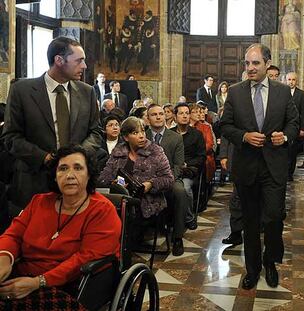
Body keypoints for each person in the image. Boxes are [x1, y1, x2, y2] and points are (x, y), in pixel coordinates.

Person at [0, 145, 121, 309]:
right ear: (55, 177)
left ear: (89, 175)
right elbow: (13, 235)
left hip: (71, 283)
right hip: (24, 273)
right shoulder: (39, 201)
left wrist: (39, 282)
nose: (70, 175)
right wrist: (5, 258)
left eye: (78, 168)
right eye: (63, 169)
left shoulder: (103, 210)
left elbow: (85, 258)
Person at [221, 43, 299, 290]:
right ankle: (253, 269)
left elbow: (294, 123)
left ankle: (271, 261)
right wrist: (243, 136)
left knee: (274, 217)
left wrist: (284, 137)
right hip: (246, 167)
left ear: (267, 64)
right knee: (251, 222)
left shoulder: (283, 92)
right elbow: (223, 126)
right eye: (247, 63)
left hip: (273, 166)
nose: (251, 68)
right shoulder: (235, 92)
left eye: (256, 63)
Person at [2, 36, 101, 210]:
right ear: (59, 60)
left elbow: (96, 132)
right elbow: (11, 137)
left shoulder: (87, 92)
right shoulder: (21, 91)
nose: (84, 66)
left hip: (75, 184)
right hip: (34, 182)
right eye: (79, 61)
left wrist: (76, 157)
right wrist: (45, 158)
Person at [98, 117, 174, 219]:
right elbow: (104, 177)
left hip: (148, 203)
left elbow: (168, 179)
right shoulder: (118, 151)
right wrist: (114, 184)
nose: (141, 136)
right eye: (135, 133)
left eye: (143, 131)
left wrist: (151, 184)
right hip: (121, 202)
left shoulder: (156, 151)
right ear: (126, 137)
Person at [145, 104, 187, 256]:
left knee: (180, 192)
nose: (158, 117)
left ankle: (177, 237)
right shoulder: (142, 136)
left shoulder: (175, 138)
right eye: (154, 114)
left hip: (170, 178)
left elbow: (178, 165)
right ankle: (136, 234)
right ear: (147, 118)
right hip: (146, 179)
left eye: (161, 114)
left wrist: (165, 181)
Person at [285, 72, 304, 181]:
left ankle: (289, 174)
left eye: (293, 80)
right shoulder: (281, 92)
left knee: (292, 152)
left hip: (295, 127)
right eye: (289, 79)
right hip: (283, 127)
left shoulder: (301, 94)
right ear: (286, 80)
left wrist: (303, 128)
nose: (291, 82)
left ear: (296, 81)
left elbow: (303, 113)